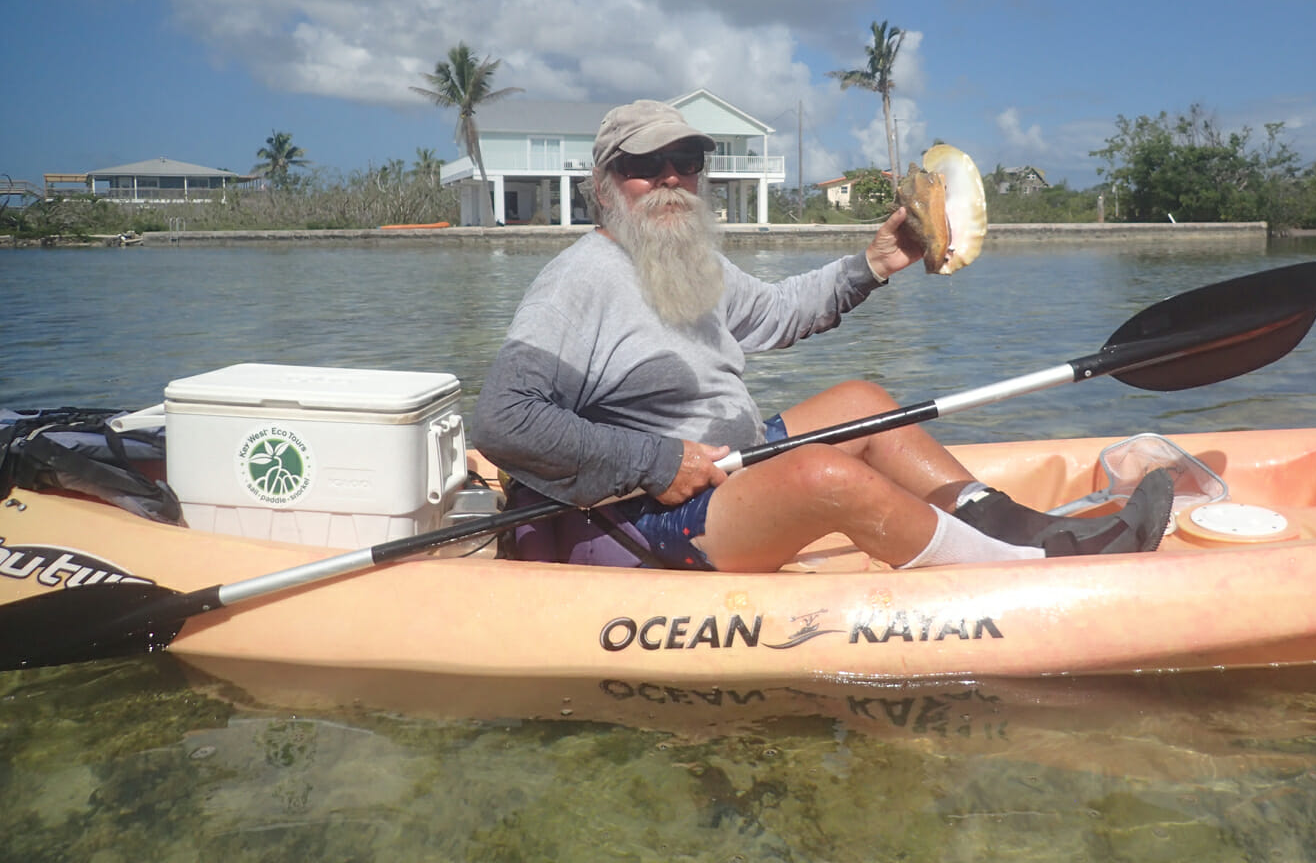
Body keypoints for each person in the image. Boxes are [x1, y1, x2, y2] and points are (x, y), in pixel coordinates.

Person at [471, 100, 1172, 572]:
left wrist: (870, 266)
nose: (671, 180)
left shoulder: (684, 260)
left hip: (725, 468)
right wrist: (657, 462)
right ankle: (1028, 571)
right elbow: (503, 421)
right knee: (822, 478)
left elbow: (775, 313)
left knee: (861, 400)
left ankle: (1024, 528)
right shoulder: (580, 279)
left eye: (686, 163)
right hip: (635, 516)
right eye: (644, 168)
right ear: (603, 184)